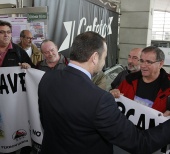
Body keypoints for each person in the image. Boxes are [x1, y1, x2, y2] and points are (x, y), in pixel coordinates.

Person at [38, 31, 170, 154]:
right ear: (95, 57)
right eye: (104, 57)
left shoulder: (47, 78)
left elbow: (46, 121)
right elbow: (140, 143)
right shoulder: (100, 99)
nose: (104, 62)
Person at [0, 20, 34, 154]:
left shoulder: (18, 51)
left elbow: (32, 71)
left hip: (11, 103)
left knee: (9, 132)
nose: (6, 35)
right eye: (1, 32)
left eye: (8, 32)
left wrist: (27, 67)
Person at [110, 46, 170, 116]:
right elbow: (115, 102)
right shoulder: (129, 80)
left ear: (160, 64)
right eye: (141, 61)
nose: (143, 66)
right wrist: (112, 94)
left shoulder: (167, 86)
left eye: (148, 62)